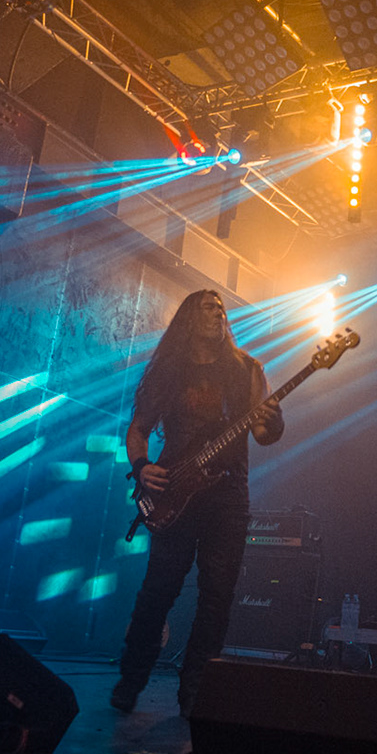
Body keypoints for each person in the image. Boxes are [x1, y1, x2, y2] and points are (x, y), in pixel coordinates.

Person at [111, 289, 283, 717]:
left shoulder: (248, 369)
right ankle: (131, 679)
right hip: (175, 492)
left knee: (217, 596)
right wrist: (140, 465)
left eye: (222, 308)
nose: (218, 312)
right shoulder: (171, 371)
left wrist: (274, 419)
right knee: (159, 591)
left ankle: (195, 693)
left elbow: (263, 436)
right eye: (208, 306)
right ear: (190, 317)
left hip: (228, 496)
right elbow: (138, 429)